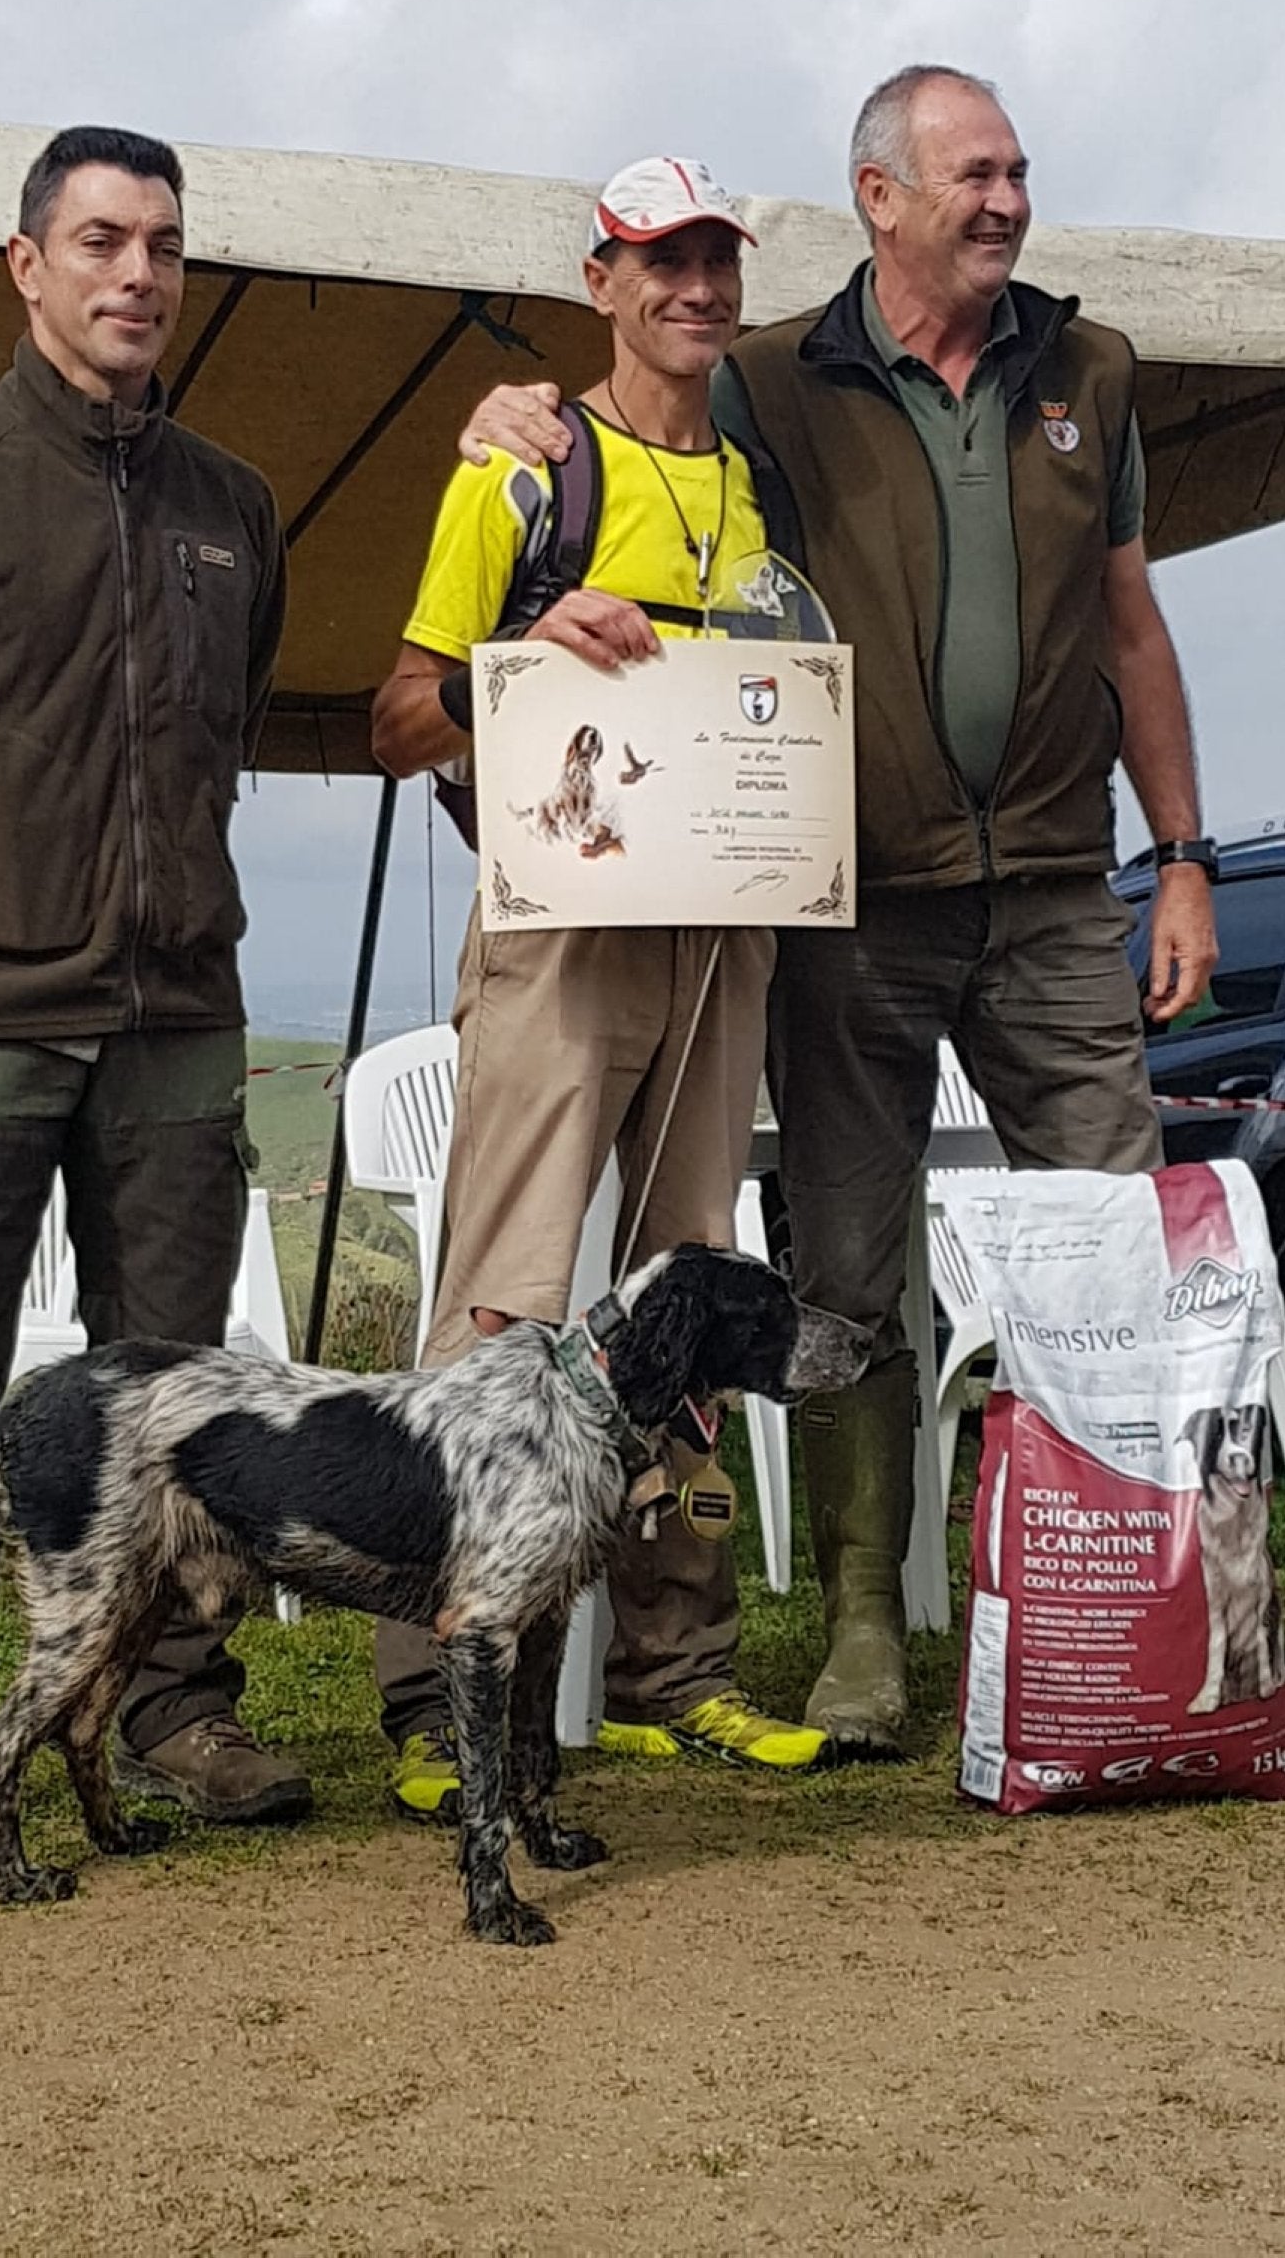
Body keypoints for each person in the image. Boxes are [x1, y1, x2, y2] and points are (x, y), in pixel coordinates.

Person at [457, 67, 1285, 1768]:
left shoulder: (1091, 370)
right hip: (849, 906)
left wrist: (1181, 855)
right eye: (974, 175)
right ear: (881, 198)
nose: (1008, 201)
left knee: (1125, 1252)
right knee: (851, 1276)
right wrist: (513, 417)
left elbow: (1132, 624)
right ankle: (869, 1629)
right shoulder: (780, 379)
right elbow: (629, 422)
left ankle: (1210, 1629)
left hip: (1055, 895)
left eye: (1019, 172)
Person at [367, 155, 825, 1818]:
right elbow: (399, 719)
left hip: (726, 931)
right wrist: (537, 653)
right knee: (500, 1300)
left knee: (691, 1298)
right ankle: (435, 1698)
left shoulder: (756, 481)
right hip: (560, 929)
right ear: (604, 280)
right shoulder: (522, 469)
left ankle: (670, 1673)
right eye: (661, 262)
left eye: (716, 259)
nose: (694, 287)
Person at [0, 126, 308, 1823]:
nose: (136, 274)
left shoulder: (236, 510)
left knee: (175, 1394)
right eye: (98, 241)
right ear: (26, 264)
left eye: (160, 244)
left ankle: (172, 1716)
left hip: (181, 1019)